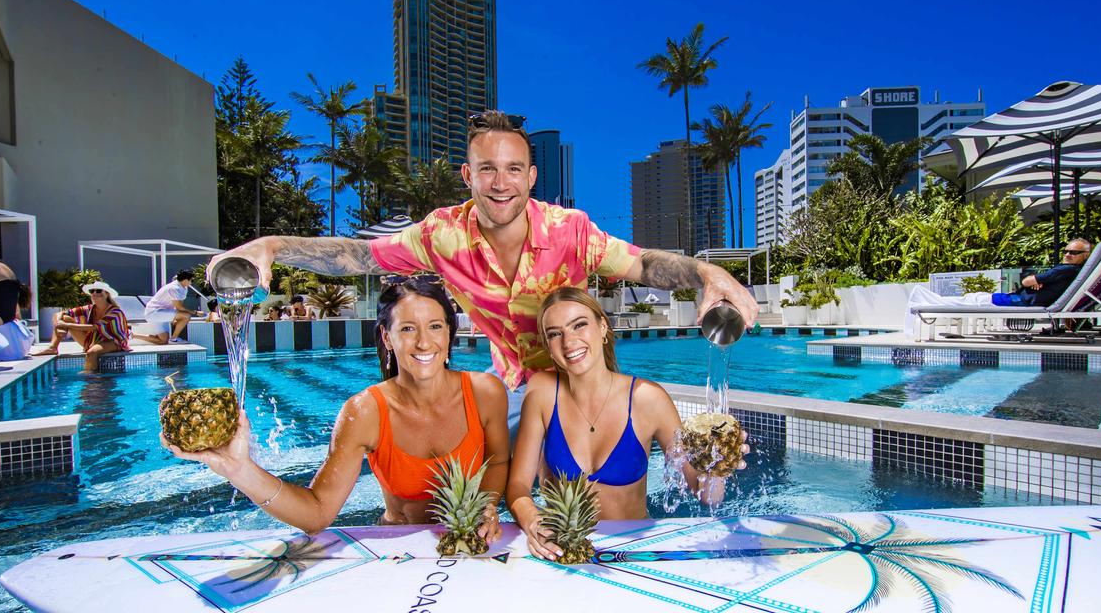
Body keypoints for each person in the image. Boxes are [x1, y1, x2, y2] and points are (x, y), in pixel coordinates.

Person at [209, 110, 758, 434]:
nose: (501, 183)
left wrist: (706, 274)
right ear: (467, 175)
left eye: (514, 169)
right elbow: (356, 256)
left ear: (532, 175)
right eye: (488, 169)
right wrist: (272, 244)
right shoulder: (440, 237)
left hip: (588, 386)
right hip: (517, 389)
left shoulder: (572, 230)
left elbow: (642, 264)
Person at [164, 278, 510, 535]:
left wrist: (489, 505)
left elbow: (499, 460)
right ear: (387, 338)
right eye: (407, 328)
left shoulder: (485, 392)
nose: (423, 342)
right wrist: (239, 470)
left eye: (435, 326)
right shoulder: (365, 412)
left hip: (470, 546)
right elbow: (317, 513)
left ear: (450, 333)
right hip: (396, 547)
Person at [507, 288, 747, 560]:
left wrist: (720, 464)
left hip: (633, 553)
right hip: (562, 551)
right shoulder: (542, 392)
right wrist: (533, 523)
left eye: (579, 325)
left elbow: (706, 496)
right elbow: (517, 486)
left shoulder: (647, 399)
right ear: (549, 346)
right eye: (555, 333)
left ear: (602, 327)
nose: (568, 341)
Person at [903, 238, 1093, 335]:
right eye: (1066, 251)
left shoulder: (1066, 270)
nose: (1068, 254)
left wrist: (1035, 280)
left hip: (1018, 300)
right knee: (970, 299)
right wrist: (1037, 281)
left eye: (1073, 252)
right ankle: (923, 299)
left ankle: (920, 300)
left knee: (971, 300)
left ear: (1085, 255)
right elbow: (1030, 279)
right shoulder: (1072, 272)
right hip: (1021, 299)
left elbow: (1027, 280)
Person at [35, 282, 130, 371]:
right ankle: (53, 347)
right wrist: (58, 324)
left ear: (107, 294)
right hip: (93, 340)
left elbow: (94, 327)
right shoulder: (89, 308)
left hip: (113, 341)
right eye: (92, 291)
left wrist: (65, 325)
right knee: (64, 317)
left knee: (91, 353)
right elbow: (59, 313)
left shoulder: (115, 311)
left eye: (99, 291)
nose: (95, 293)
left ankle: (90, 380)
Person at [134, 270, 194, 345]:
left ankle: (133, 336)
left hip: (162, 313)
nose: (192, 282)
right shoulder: (174, 288)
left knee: (163, 341)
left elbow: (179, 305)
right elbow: (179, 306)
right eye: (192, 280)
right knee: (186, 316)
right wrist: (195, 312)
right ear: (185, 280)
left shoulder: (184, 288)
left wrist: (175, 317)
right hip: (154, 313)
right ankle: (173, 339)